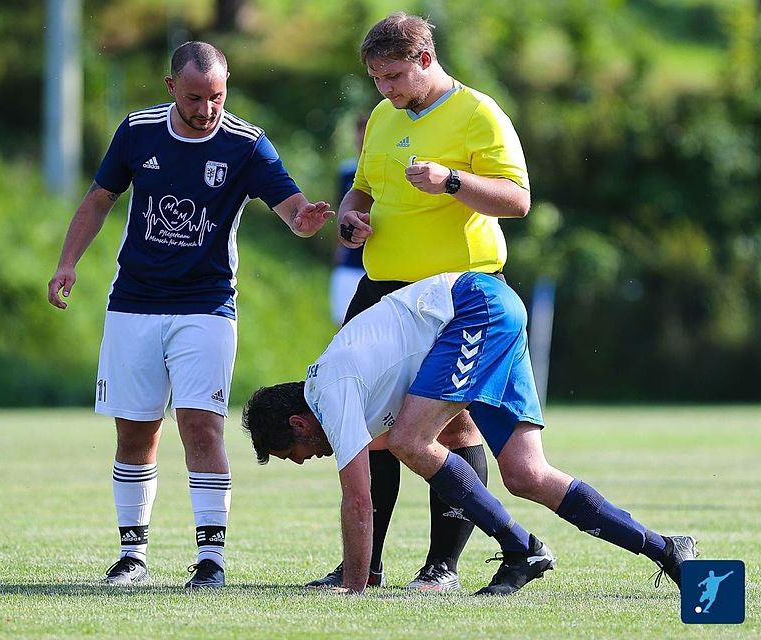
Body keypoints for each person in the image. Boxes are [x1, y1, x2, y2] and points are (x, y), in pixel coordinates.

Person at [46, 41, 333, 590]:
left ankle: (211, 560)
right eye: (196, 97)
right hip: (133, 301)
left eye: (218, 97)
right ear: (171, 86)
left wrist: (306, 219)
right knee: (136, 431)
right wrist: (67, 263)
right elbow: (99, 199)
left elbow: (291, 207)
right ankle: (132, 555)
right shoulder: (137, 131)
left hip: (206, 305)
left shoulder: (247, 144)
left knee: (201, 424)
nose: (207, 110)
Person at [243, 272, 698, 595]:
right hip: (486, 309)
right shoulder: (342, 389)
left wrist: (353, 586)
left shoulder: (331, 390)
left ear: (298, 423)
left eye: (293, 452)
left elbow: (358, 499)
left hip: (474, 307)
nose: (304, 461)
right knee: (525, 473)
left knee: (410, 441)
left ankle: (523, 548)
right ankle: (667, 549)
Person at [310, 12, 533, 591]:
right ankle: (366, 564)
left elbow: (517, 200)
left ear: (426, 60)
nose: (384, 90)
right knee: (364, 422)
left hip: (454, 298)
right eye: (377, 79)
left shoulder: (479, 113)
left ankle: (443, 567)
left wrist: (452, 181)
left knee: (452, 432)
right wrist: (352, 218)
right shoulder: (385, 116)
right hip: (381, 294)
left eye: (393, 77)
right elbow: (364, 186)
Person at [328, 114, 366, 326]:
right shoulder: (346, 171)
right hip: (350, 261)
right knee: (343, 324)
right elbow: (340, 209)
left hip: (376, 263)